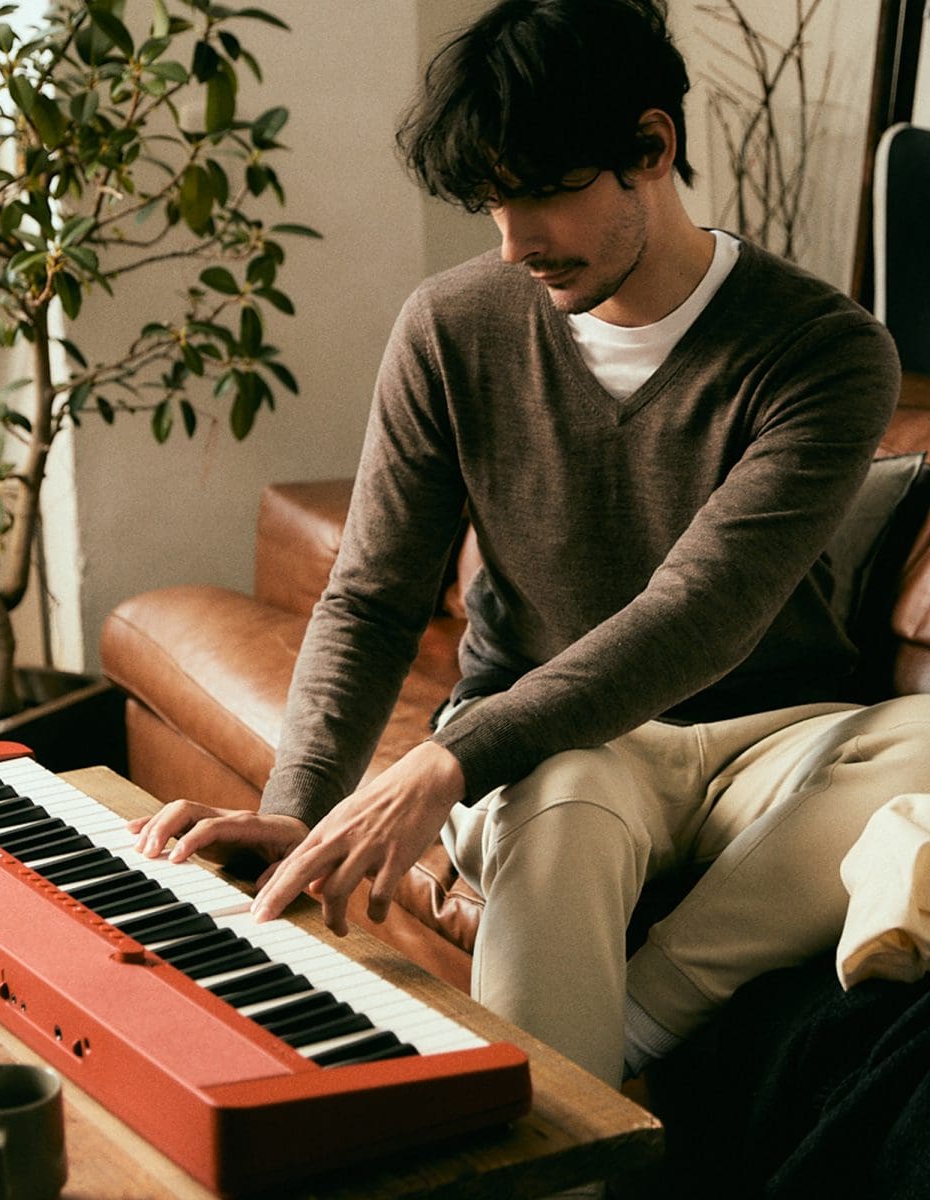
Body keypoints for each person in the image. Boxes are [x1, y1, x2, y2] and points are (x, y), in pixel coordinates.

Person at [131, 0, 930, 1109]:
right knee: (557, 794)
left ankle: (635, 1024)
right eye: (492, 203)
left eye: (545, 191)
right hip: (550, 743)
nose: (513, 245)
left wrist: (442, 762)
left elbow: (700, 610)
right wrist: (303, 796)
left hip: (773, 743)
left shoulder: (826, 351)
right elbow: (369, 599)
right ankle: (545, 1163)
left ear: (650, 150)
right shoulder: (450, 329)